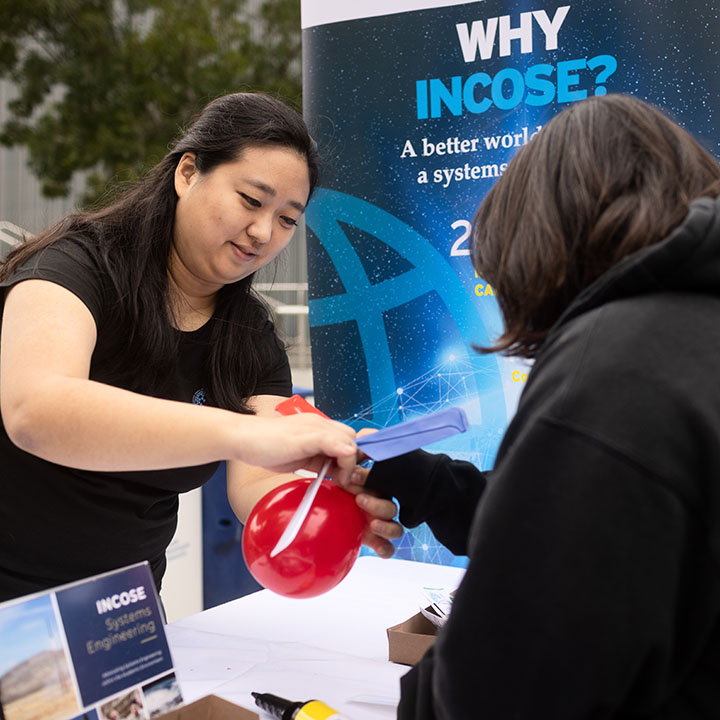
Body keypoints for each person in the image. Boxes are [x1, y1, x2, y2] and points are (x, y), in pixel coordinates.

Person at [349, 94, 720, 718]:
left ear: (536, 248)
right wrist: (428, 483)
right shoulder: (688, 336)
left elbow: (496, 689)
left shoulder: (613, 371)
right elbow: (611, 518)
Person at [0, 91, 399, 602]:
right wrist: (241, 433)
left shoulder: (250, 337)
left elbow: (257, 483)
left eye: (286, 219)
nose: (262, 232)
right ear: (188, 173)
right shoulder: (76, 267)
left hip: (124, 619)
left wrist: (320, 511)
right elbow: (37, 411)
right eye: (252, 201)